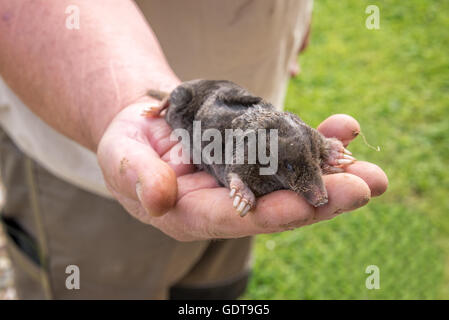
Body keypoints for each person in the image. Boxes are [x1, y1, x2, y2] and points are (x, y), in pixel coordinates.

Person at [0, 0, 388, 299]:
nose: (317, 196)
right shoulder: (243, 158)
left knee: (215, 293)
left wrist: (294, 18)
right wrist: (121, 102)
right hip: (93, 169)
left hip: (249, 101)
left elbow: (302, 140)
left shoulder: (286, 139)